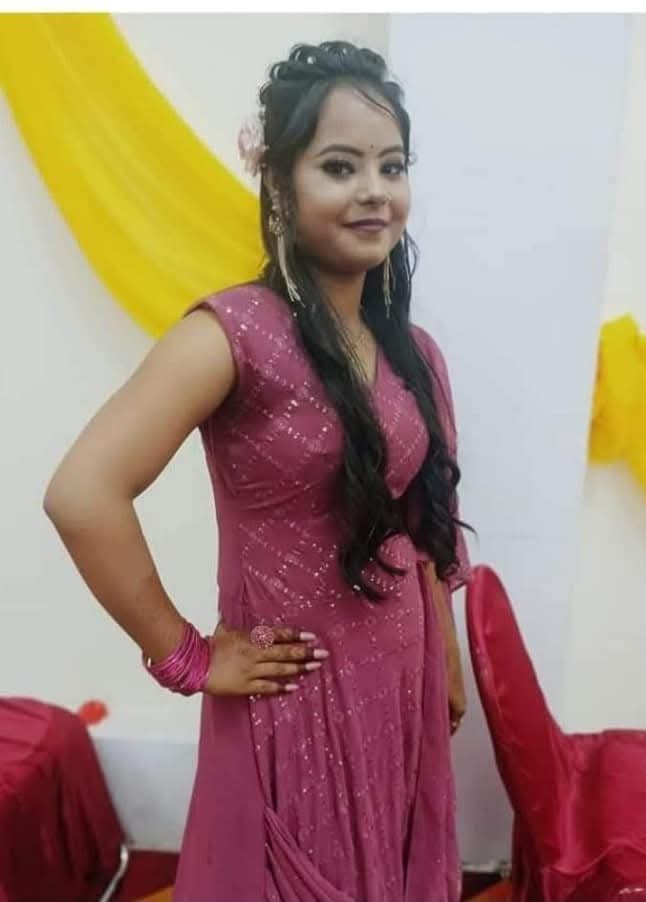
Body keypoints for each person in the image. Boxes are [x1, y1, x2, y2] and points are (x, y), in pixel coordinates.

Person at [43, 40, 472, 902]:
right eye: (340, 166)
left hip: (399, 676)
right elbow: (82, 494)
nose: (373, 191)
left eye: (391, 166)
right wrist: (186, 656)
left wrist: (447, 660)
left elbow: (421, 528)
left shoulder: (414, 352)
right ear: (279, 182)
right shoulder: (236, 334)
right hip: (294, 699)